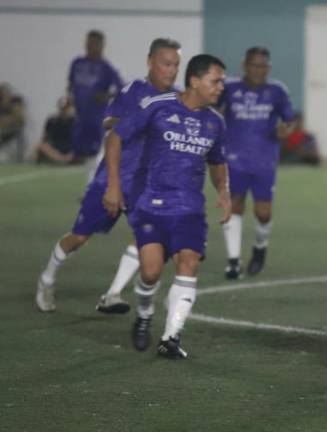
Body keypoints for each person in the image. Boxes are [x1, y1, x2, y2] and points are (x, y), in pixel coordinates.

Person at [35, 38, 182, 314]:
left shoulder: (177, 98)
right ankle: (47, 278)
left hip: (146, 185)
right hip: (112, 179)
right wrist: (140, 121)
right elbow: (109, 123)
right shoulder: (134, 90)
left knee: (145, 237)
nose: (171, 70)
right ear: (151, 62)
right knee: (78, 238)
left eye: (175, 65)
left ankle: (112, 294)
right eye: (166, 64)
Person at [103, 54, 230, 360]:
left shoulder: (215, 122)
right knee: (150, 273)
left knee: (189, 263)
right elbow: (116, 138)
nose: (221, 87)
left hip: (189, 210)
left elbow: (216, 162)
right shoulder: (158, 105)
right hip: (152, 205)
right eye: (216, 80)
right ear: (196, 81)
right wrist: (113, 185)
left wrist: (224, 191)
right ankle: (145, 314)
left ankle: (170, 337)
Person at [218, 46, 294, 279]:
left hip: (264, 159)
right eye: (254, 65)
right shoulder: (229, 88)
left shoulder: (277, 91)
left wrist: (285, 131)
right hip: (233, 158)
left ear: (268, 68)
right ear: (244, 66)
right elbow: (212, 109)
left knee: (263, 213)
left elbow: (289, 120)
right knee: (235, 206)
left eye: (263, 66)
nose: (258, 70)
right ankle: (233, 260)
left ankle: (259, 247)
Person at [67, 30, 122, 169]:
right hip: (80, 116)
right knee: (77, 153)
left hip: (97, 117)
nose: (91, 47)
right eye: (89, 43)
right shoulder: (77, 63)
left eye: (95, 44)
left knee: (94, 155)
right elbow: (71, 84)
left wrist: (106, 96)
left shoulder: (106, 67)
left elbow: (122, 89)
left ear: (102, 46)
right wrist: (69, 99)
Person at [36, 97, 75, 165]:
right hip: (55, 149)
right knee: (41, 146)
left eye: (66, 108)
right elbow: (44, 138)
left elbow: (78, 140)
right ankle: (62, 160)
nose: (64, 111)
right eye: (62, 108)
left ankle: (64, 159)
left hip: (69, 148)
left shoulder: (74, 121)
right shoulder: (52, 121)